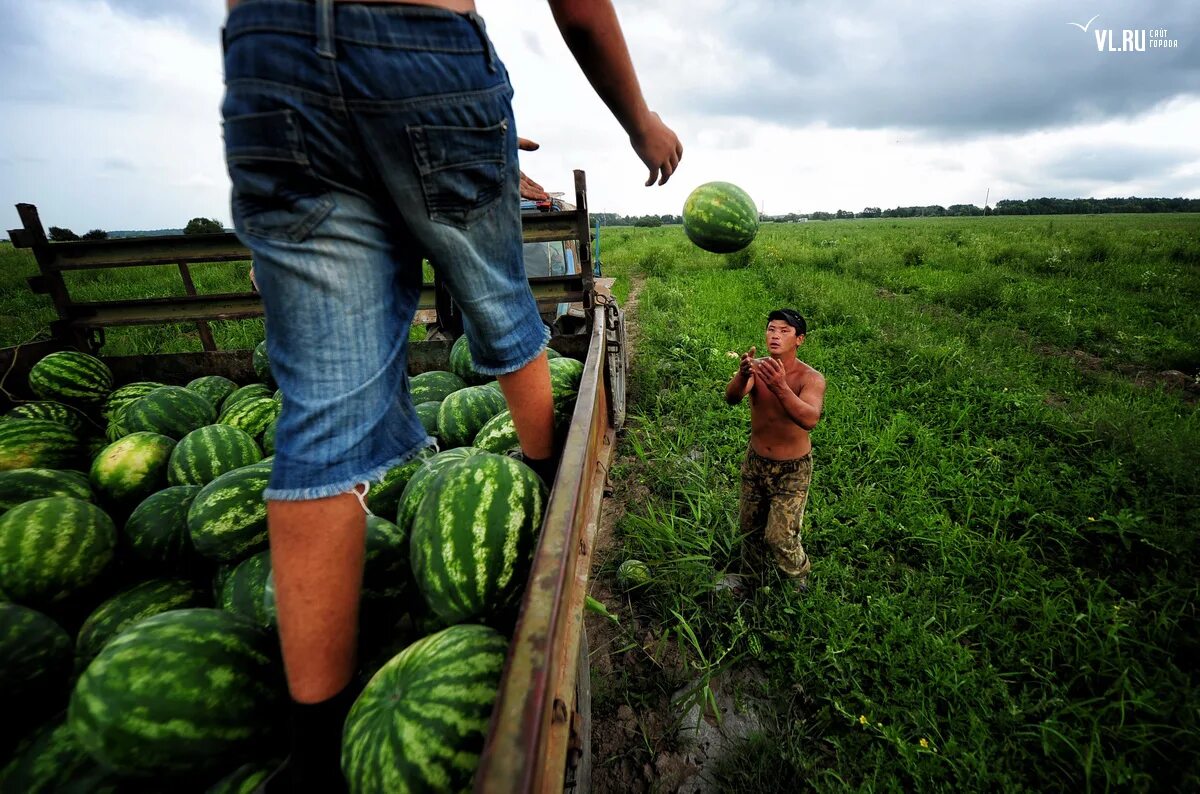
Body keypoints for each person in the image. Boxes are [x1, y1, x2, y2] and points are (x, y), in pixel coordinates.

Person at [220, 0, 681, 789]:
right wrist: (640, 121)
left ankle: (314, 753)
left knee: (321, 408)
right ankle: (542, 480)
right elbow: (578, 11)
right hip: (419, 39)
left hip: (272, 54)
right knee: (500, 301)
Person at [724, 309, 826, 591]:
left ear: (799, 339)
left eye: (784, 331)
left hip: (792, 470)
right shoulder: (757, 368)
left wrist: (781, 387)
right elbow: (732, 397)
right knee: (749, 529)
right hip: (756, 462)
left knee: (779, 536)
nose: (775, 335)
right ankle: (751, 580)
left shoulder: (810, 378)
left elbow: (809, 419)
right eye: (771, 329)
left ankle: (798, 578)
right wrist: (742, 375)